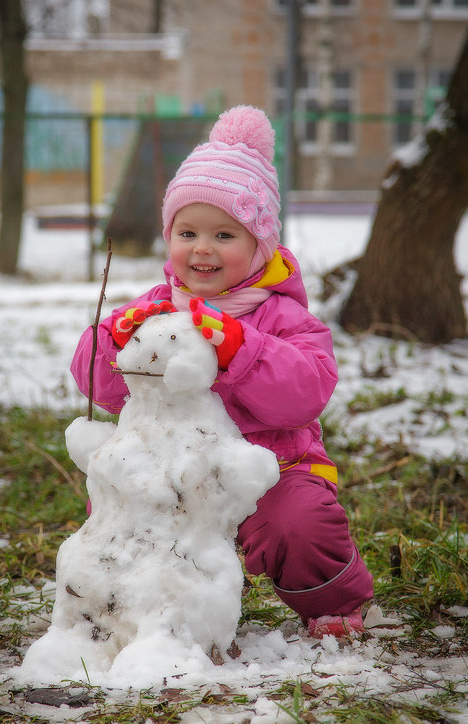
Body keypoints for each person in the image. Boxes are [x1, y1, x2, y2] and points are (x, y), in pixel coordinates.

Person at [71, 105, 373, 638]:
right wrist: (116, 343)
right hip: (172, 473)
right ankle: (141, 612)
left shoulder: (283, 316)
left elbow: (304, 393)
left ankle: (333, 604)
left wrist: (240, 349)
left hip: (272, 472)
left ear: (261, 245)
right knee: (124, 513)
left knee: (298, 524)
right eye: (187, 232)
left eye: (225, 236)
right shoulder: (154, 310)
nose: (202, 249)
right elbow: (99, 389)